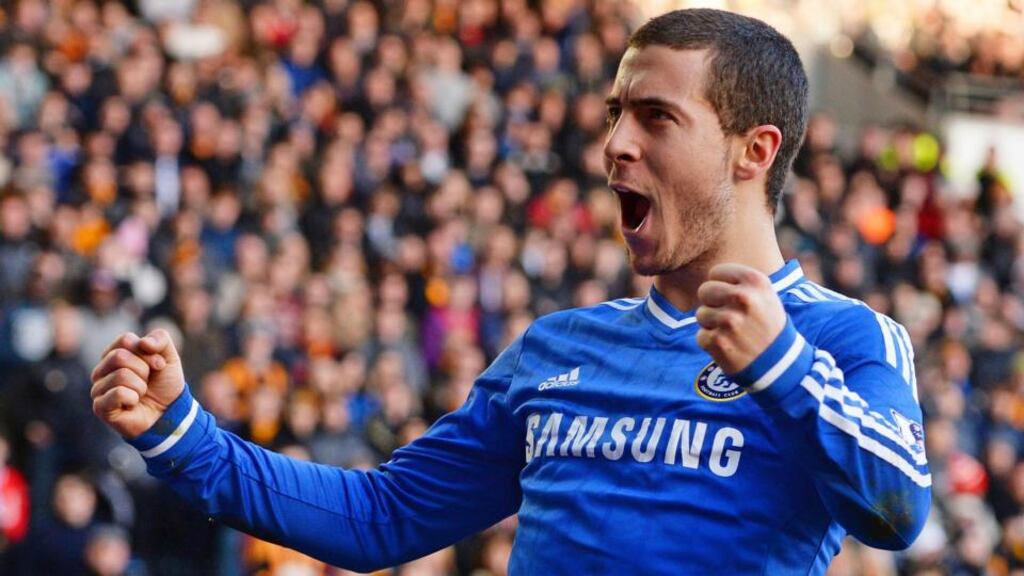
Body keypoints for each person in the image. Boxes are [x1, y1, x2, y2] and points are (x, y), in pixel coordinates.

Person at [90, 9, 930, 574]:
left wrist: (782, 368)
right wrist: (183, 436)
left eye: (656, 118)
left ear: (754, 150)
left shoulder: (844, 340)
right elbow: (383, 515)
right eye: (613, 114)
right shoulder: (555, 350)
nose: (614, 146)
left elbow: (897, 510)